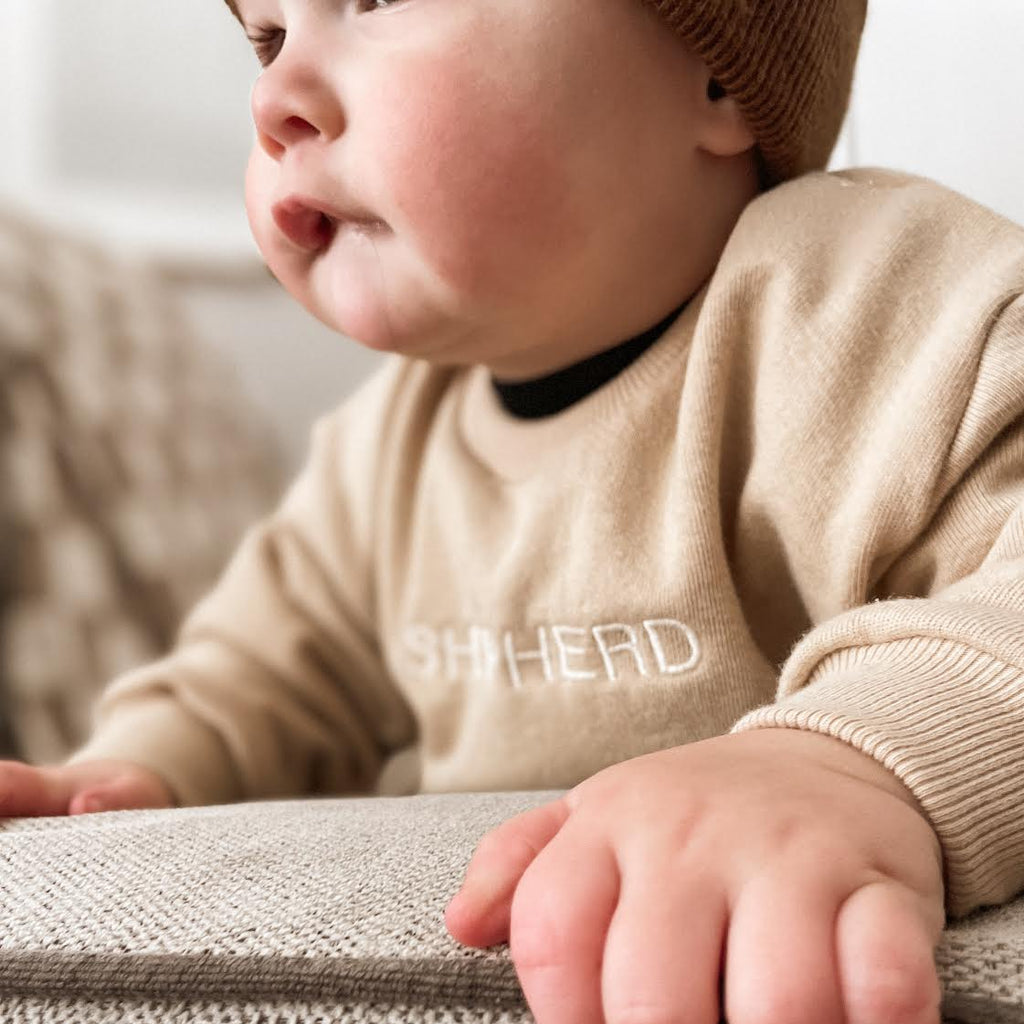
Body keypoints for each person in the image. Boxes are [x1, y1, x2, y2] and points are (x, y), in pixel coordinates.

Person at [3, 0, 1024, 1021]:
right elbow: (264, 668)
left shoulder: (869, 304)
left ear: (714, 75)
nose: (274, 100)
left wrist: (842, 764)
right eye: (267, 39)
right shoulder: (389, 441)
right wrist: (133, 772)